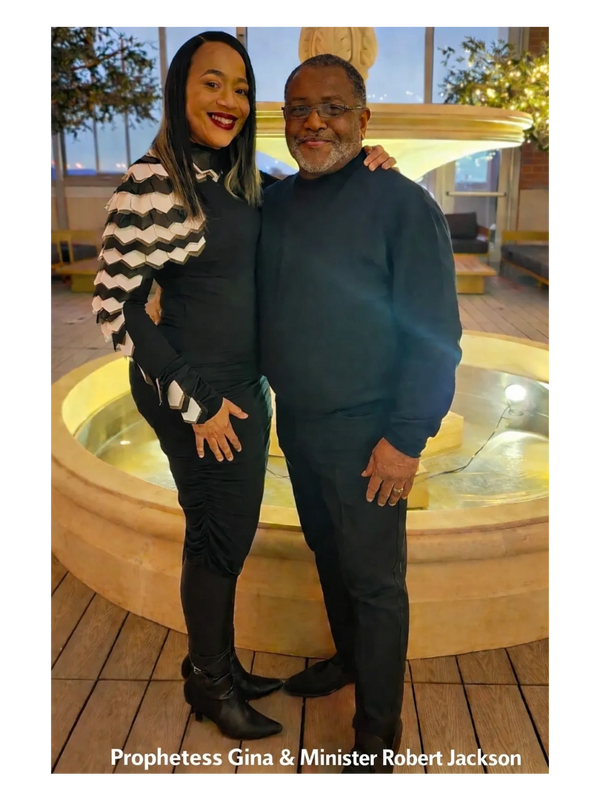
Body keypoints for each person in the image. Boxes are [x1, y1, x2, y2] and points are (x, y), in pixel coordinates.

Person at [91, 32, 395, 743]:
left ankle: (217, 664)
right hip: (199, 395)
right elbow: (114, 305)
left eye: (240, 87)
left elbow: (303, 196)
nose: (228, 99)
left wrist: (363, 163)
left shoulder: (240, 177)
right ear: (180, 90)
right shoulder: (153, 182)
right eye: (211, 83)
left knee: (224, 530)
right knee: (218, 540)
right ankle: (211, 683)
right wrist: (193, 400)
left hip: (239, 386)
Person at [257, 54, 463, 775]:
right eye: (299, 108)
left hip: (372, 433)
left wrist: (405, 439)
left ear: (364, 119)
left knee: (376, 585)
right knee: (328, 554)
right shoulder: (275, 203)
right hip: (299, 423)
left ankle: (377, 735)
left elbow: (436, 336)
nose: (314, 121)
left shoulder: (402, 205)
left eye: (333, 108)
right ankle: (348, 660)